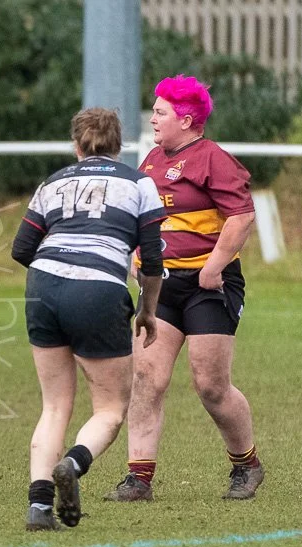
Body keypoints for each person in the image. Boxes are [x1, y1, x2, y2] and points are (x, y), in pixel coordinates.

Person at [105, 75, 264, 502]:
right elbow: (143, 216)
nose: (153, 119)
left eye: (161, 112)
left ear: (187, 120)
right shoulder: (152, 160)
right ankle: (139, 478)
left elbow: (241, 217)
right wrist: (138, 254)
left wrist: (213, 267)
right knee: (146, 378)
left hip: (208, 286)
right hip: (161, 287)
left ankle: (246, 464)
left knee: (210, 385)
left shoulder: (214, 159)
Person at [11, 109, 165, 531]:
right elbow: (153, 260)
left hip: (43, 284)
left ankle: (39, 506)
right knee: (111, 408)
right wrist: (148, 310)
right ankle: (73, 465)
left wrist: (57, 268)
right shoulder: (139, 183)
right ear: (119, 146)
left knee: (54, 405)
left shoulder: (53, 182)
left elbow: (21, 248)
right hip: (98, 289)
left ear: (76, 145)